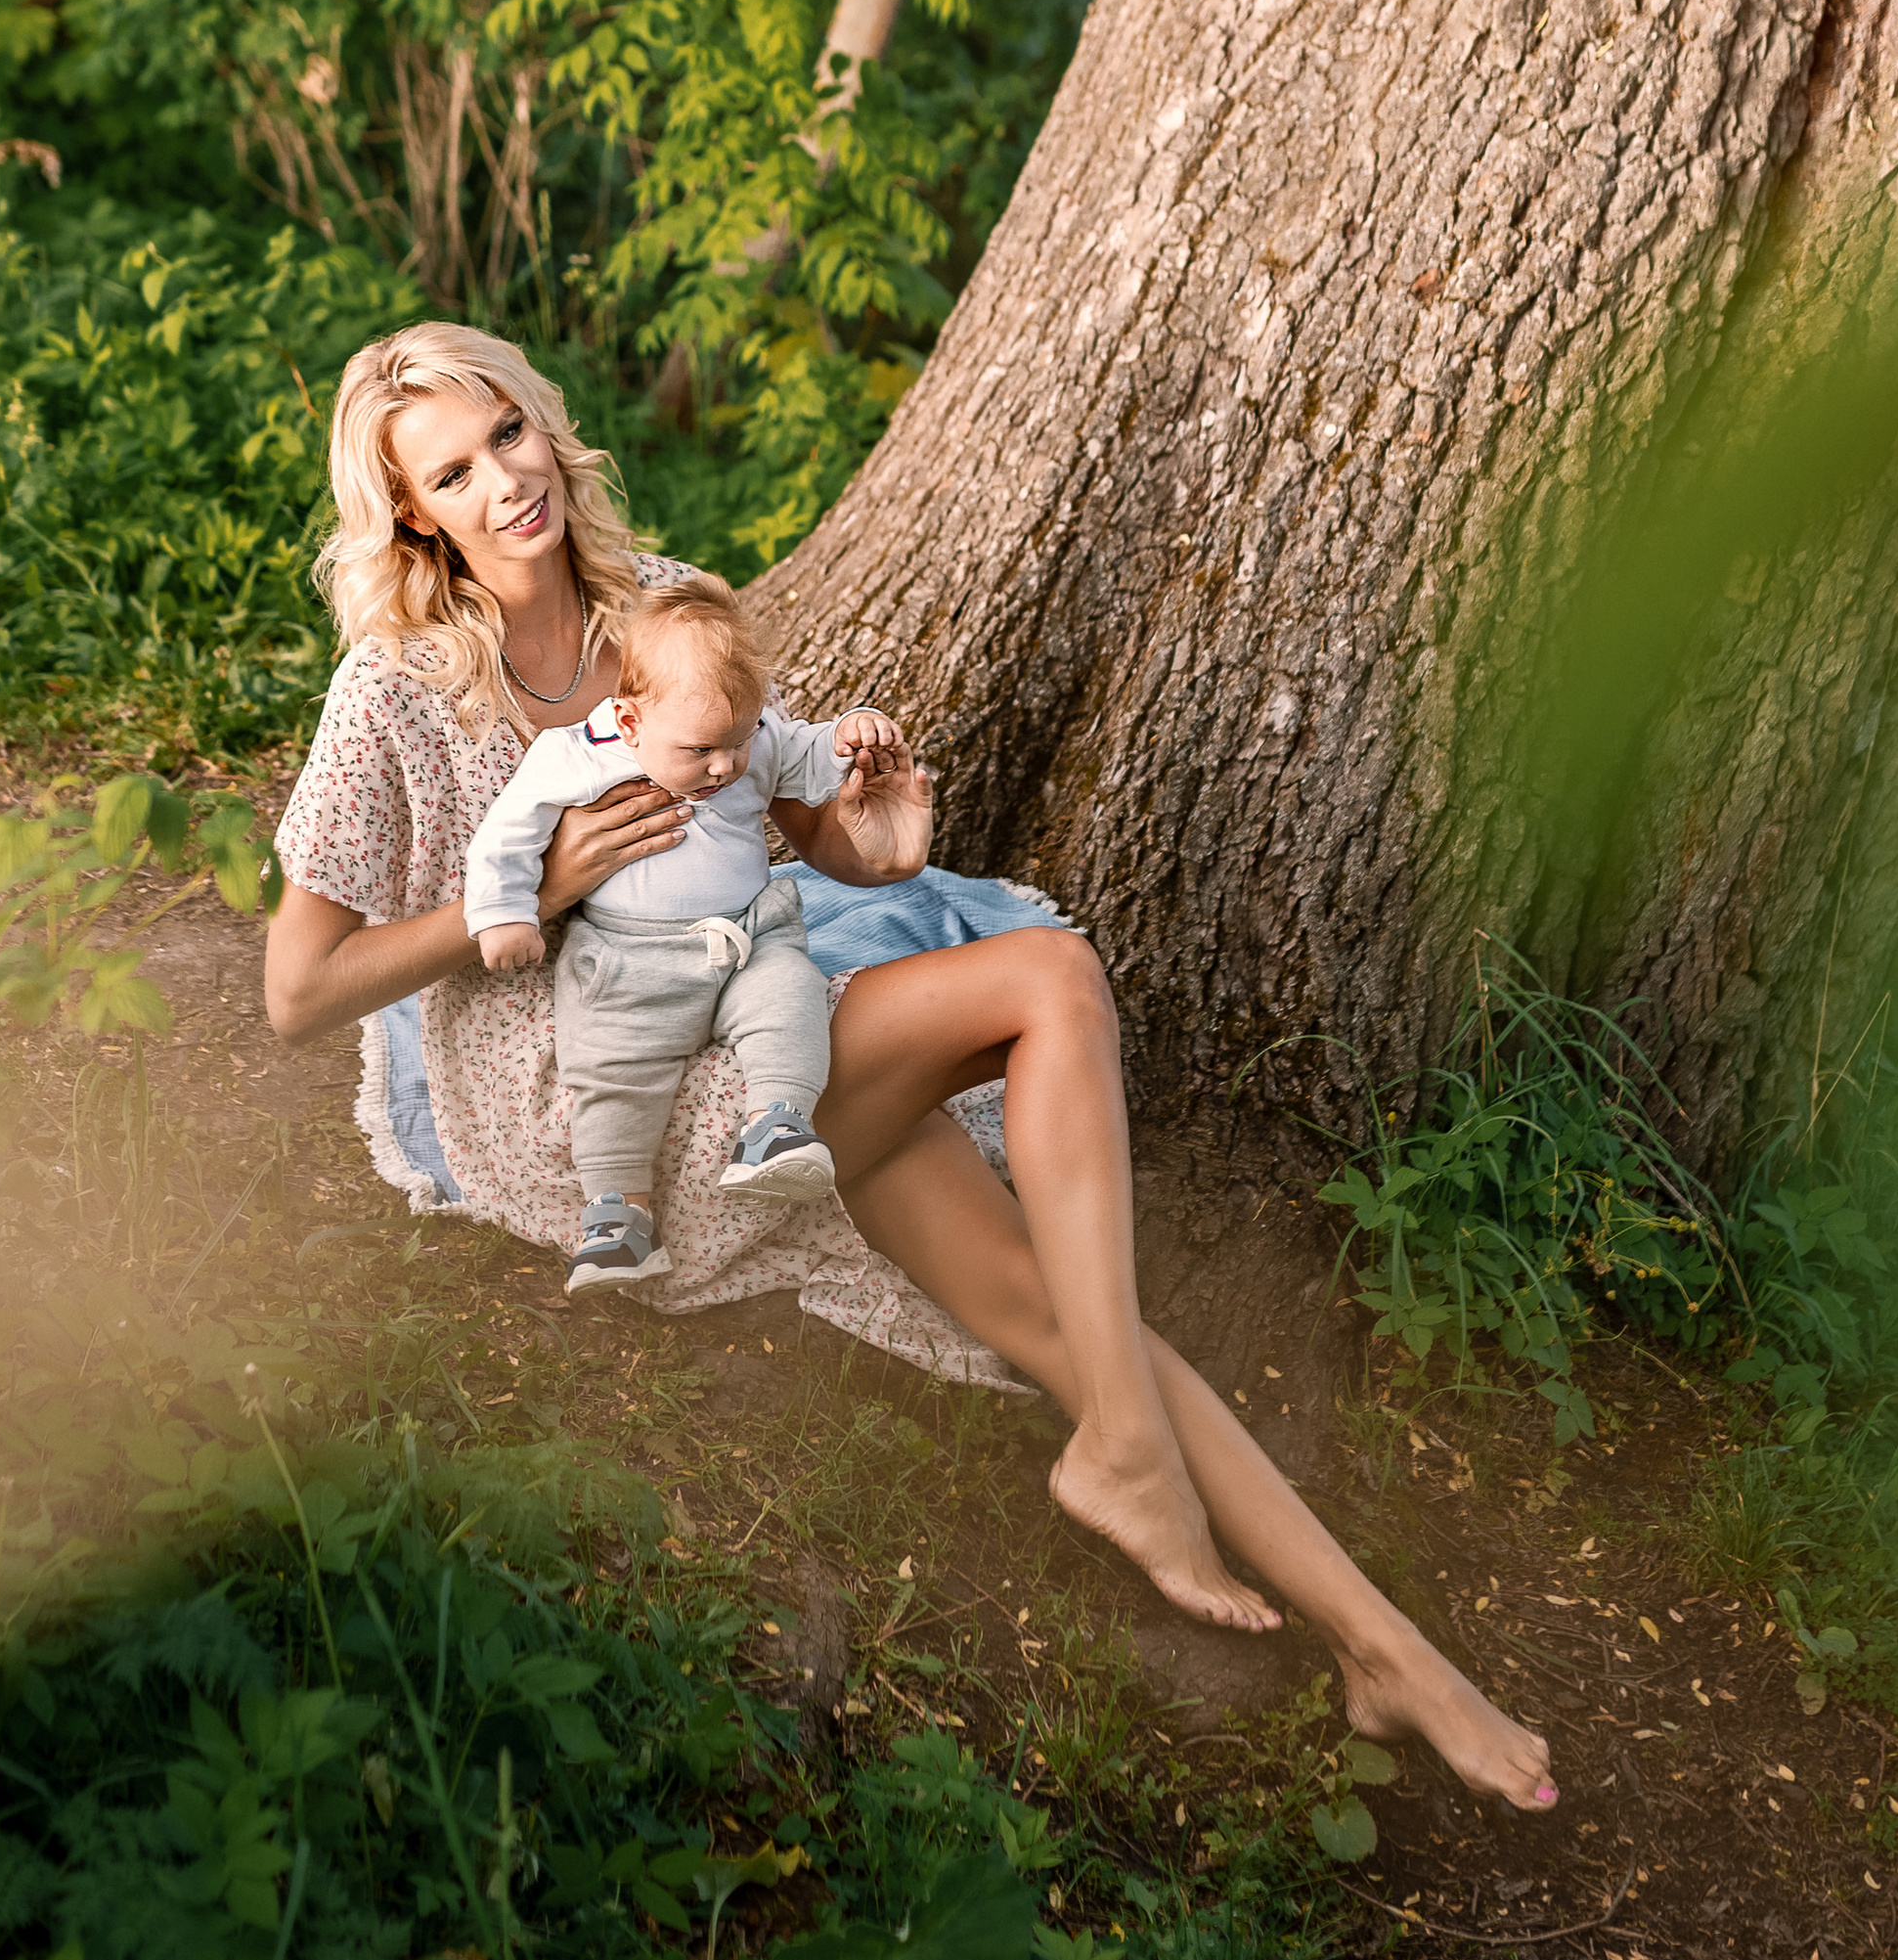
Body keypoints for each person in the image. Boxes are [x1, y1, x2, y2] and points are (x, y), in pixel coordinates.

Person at [264, 318, 1558, 1814]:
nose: (503, 480)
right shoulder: (396, 692)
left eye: (508, 434)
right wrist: (532, 889)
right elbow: (301, 990)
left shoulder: (653, 612)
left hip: (755, 1035)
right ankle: (1132, 1463)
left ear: (544, 428)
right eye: (453, 469)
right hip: (586, 1105)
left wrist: (867, 839)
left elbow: (780, 816)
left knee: (1084, 1323)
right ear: (412, 508)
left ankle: (1384, 1645)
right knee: (1050, 974)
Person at [465, 570, 915, 1293]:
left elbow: (805, 751)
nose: (724, 767)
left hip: (744, 938)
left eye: (737, 742)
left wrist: (854, 729)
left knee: (790, 991)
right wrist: (504, 913)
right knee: (610, 1069)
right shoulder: (576, 752)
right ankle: (618, 1217)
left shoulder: (748, 739)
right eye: (701, 749)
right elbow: (506, 836)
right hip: (627, 958)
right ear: (631, 721)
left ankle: (778, 1122)